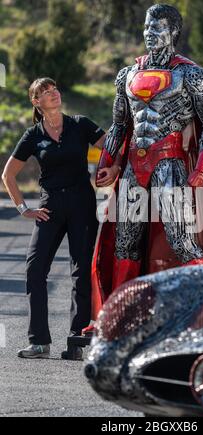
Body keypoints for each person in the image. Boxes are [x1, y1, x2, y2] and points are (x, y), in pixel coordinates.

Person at [88, 4, 203, 323]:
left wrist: (200, 170)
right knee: (125, 240)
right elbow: (119, 125)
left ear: (173, 32)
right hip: (134, 166)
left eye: (157, 28)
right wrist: (107, 161)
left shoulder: (190, 74)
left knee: (181, 239)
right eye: (147, 27)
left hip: (169, 162)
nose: (149, 33)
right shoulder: (127, 74)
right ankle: (120, 316)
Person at [1, 77, 118, 359]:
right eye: (45, 92)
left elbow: (112, 149)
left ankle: (76, 342)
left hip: (81, 203)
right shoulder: (33, 135)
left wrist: (113, 170)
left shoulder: (80, 124)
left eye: (54, 90)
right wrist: (23, 209)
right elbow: (8, 176)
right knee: (35, 268)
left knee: (81, 272)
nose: (53, 94)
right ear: (36, 102)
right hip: (49, 206)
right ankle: (39, 342)